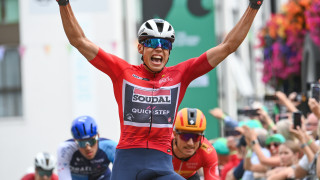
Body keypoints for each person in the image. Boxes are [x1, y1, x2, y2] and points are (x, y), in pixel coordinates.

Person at [56, 0, 264, 179]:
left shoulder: (181, 74)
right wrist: (63, 3)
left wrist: (254, 7)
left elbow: (228, 46)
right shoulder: (123, 71)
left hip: (161, 163)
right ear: (140, 48)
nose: (159, 48)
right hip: (128, 161)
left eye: (165, 44)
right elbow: (79, 41)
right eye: (152, 42)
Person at [57, 115, 117, 180]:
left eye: (92, 141)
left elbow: (123, 172)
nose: (88, 148)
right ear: (75, 141)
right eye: (82, 143)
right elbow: (64, 176)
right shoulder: (65, 149)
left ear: (98, 136)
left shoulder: (110, 147)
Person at [172, 108, 219, 180]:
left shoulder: (208, 152)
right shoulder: (163, 143)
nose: (190, 143)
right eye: (185, 136)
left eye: (196, 137)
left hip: (190, 177)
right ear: (175, 134)